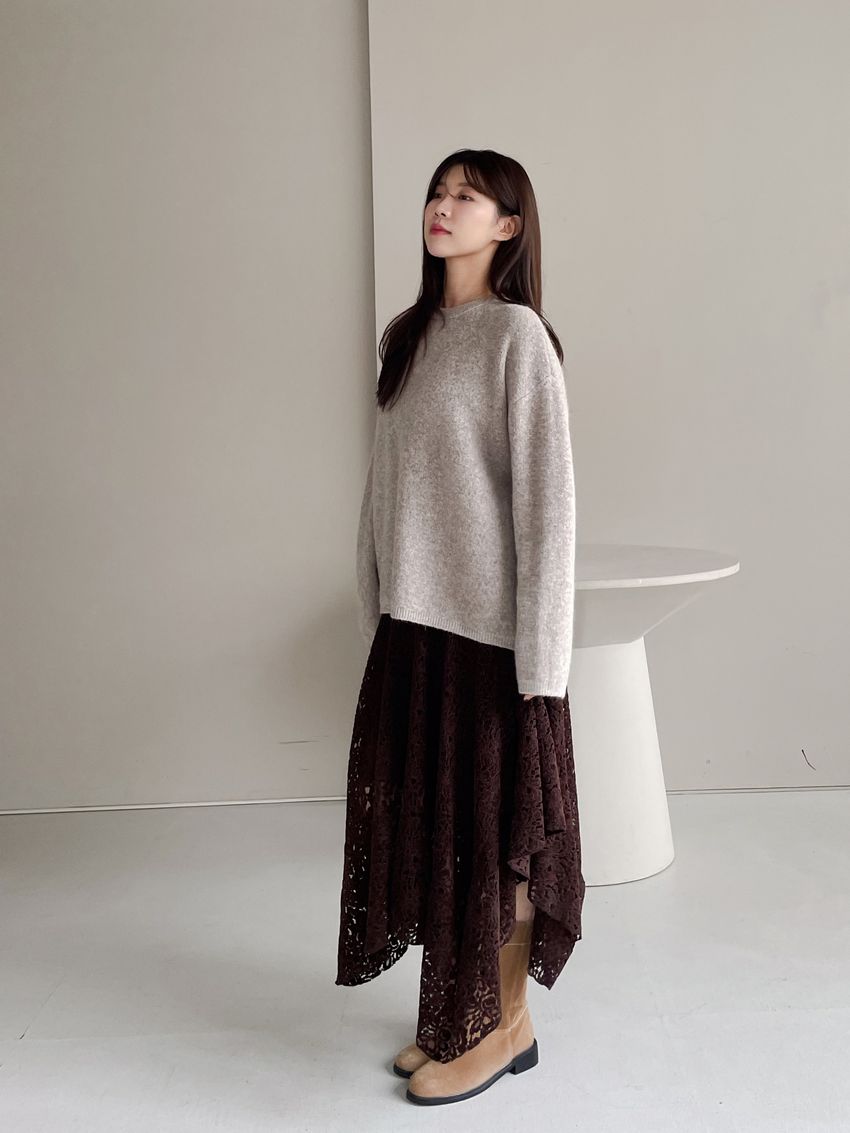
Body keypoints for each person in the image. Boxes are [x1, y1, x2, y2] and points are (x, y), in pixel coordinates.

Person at [335, 147, 585, 1107]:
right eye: (437, 193)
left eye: (466, 197)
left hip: (492, 643)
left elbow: (549, 510)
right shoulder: (412, 336)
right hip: (415, 632)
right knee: (441, 837)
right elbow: (382, 487)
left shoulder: (517, 338)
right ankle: (460, 1015)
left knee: (496, 840)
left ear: (508, 226)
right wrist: (378, 607)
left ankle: (505, 1025)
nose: (442, 207)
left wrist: (542, 668)